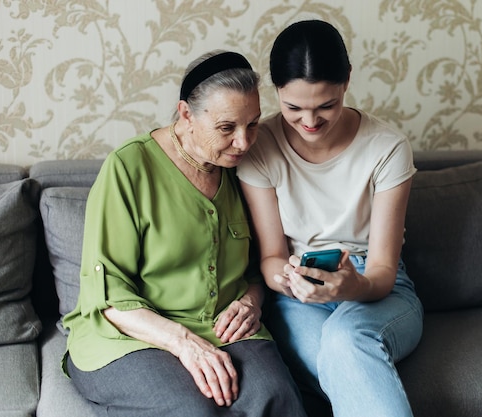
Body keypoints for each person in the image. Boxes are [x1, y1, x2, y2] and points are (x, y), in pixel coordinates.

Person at [62, 50, 307, 417]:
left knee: (277, 398)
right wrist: (185, 343)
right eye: (227, 128)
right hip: (131, 334)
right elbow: (109, 294)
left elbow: (255, 269)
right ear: (186, 115)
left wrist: (251, 302)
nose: (244, 142)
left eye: (253, 124)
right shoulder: (128, 168)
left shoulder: (247, 170)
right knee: (190, 410)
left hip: (224, 327)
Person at [236, 20, 424, 417]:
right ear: (276, 92)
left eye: (326, 106)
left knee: (344, 340)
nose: (310, 122)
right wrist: (287, 279)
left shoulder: (387, 148)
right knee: (339, 357)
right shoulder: (261, 148)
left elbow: (384, 271)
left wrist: (348, 286)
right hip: (297, 294)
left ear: (347, 82)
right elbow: (271, 257)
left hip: (377, 289)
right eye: (293, 108)